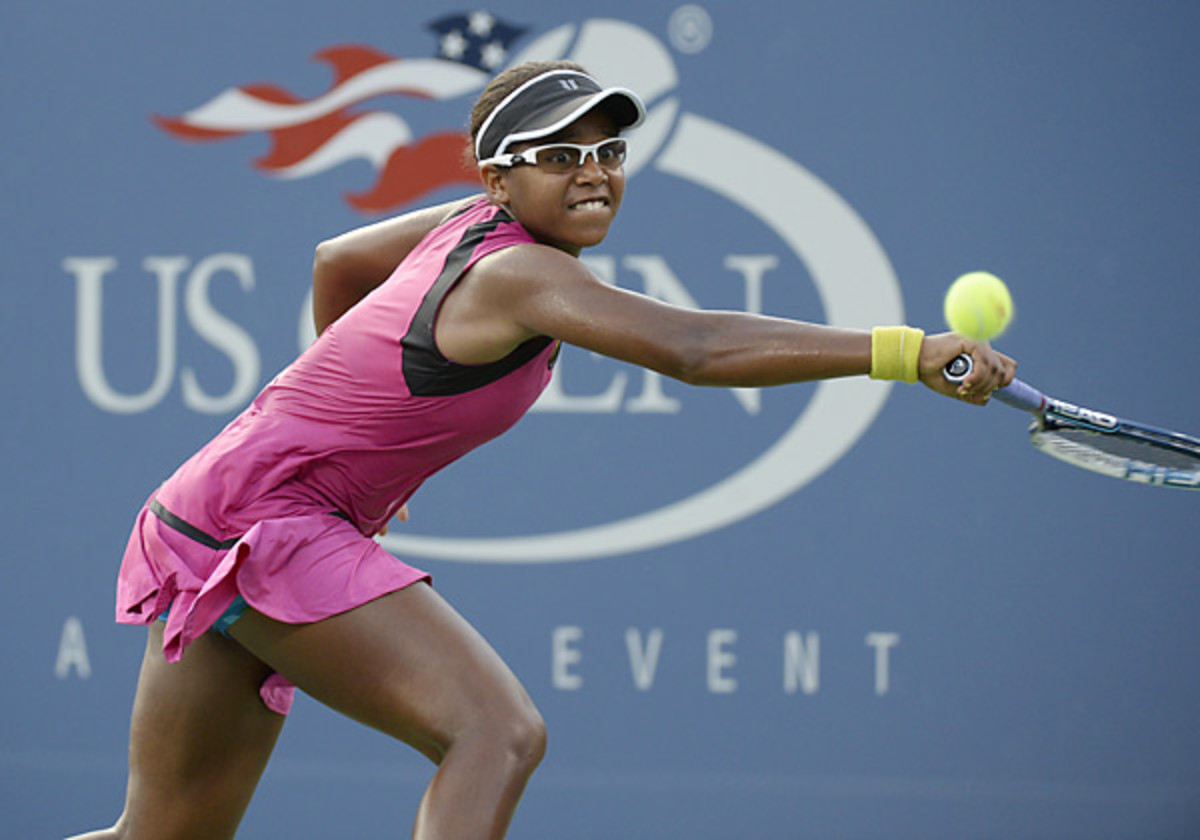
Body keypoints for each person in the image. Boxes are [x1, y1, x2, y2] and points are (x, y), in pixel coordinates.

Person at [68, 59, 1015, 840]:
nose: (594, 170)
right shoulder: (519, 269)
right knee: (497, 733)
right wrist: (905, 352)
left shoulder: (463, 222)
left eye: (608, 150)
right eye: (560, 154)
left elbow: (337, 261)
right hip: (264, 523)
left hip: (202, 514)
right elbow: (695, 348)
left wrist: (359, 444)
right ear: (499, 178)